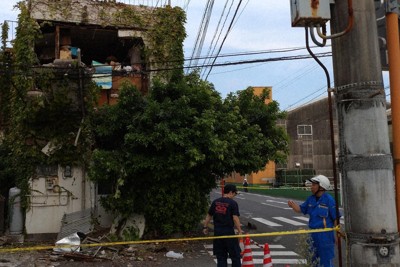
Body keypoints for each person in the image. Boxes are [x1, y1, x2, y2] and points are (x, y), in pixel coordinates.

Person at [287, 175, 340, 267]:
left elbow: (336, 218)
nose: (311, 187)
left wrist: (337, 235)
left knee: (325, 261)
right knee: (312, 260)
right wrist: (293, 205)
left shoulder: (329, 200)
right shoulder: (310, 199)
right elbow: (301, 209)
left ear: (321, 187)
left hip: (325, 235)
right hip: (312, 234)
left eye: (314, 185)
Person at [203, 184, 243, 267]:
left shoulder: (215, 202)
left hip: (218, 233)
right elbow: (235, 218)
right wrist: (239, 231)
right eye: (235, 194)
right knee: (235, 256)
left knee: (221, 257)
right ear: (231, 192)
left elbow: (209, 215)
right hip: (229, 233)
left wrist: (205, 227)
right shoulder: (233, 203)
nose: (235, 196)